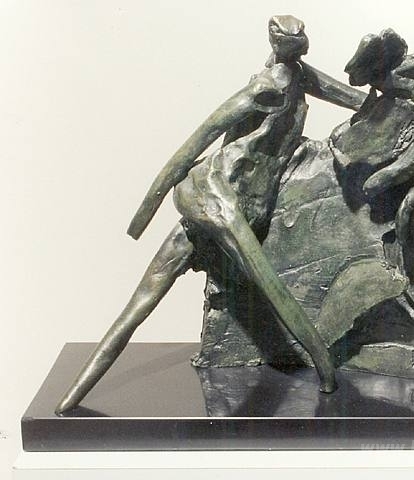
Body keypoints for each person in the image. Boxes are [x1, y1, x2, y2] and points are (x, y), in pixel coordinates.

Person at [56, 15, 366, 414]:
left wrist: (408, 104)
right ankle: (325, 374)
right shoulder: (261, 88)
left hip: (242, 203)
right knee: (265, 283)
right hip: (217, 195)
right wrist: (141, 218)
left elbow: (356, 100)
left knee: (144, 300)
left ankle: (68, 403)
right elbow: (192, 146)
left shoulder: (302, 77)